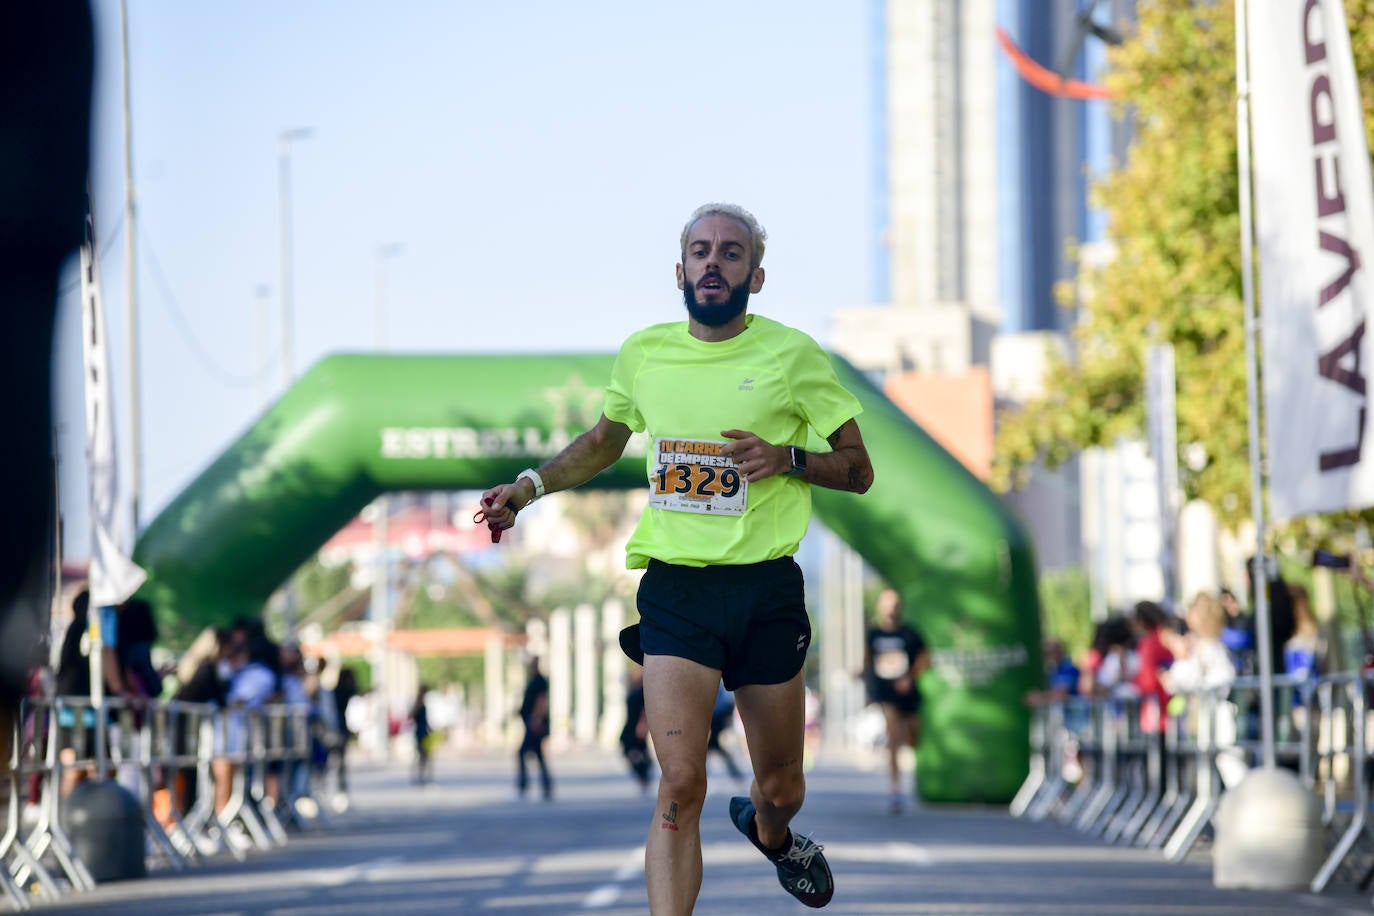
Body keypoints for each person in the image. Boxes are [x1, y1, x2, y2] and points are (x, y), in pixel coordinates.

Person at [477, 203, 874, 912]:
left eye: (729, 252)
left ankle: (772, 834)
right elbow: (602, 442)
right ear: (680, 270)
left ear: (756, 275)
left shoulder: (791, 355)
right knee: (680, 782)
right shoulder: (644, 353)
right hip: (676, 591)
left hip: (765, 590)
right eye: (700, 251)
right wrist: (528, 488)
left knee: (783, 786)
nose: (712, 263)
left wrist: (786, 459)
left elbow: (858, 468)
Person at [861, 588, 929, 814]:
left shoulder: (909, 633)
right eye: (887, 604)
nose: (891, 609)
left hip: (908, 694)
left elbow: (925, 657)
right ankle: (895, 789)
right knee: (893, 737)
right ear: (880, 607)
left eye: (895, 604)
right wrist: (865, 683)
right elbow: (867, 661)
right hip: (885, 694)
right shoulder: (873, 634)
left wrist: (910, 676)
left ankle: (910, 772)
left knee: (911, 737)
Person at [516, 657, 553, 800]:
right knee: (538, 756)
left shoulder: (539, 682)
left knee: (522, 753)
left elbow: (542, 701)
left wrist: (536, 720)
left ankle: (524, 785)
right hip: (532, 723)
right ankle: (546, 786)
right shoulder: (534, 681)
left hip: (535, 724)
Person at [620, 664, 654, 796]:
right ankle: (643, 778)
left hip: (637, 728)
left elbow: (645, 711)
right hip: (629, 728)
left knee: (640, 754)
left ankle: (644, 778)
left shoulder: (644, 692)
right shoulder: (634, 689)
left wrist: (643, 725)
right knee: (633, 753)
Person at [706, 683, 746, 787]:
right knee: (716, 750)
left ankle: (737, 775)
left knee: (714, 750)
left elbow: (727, 702)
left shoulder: (720, 686)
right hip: (716, 715)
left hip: (717, 716)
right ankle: (737, 775)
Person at [411, 685, 433, 786]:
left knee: (424, 756)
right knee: (423, 756)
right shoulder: (419, 705)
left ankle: (422, 776)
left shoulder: (419, 705)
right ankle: (420, 776)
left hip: (423, 732)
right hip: (421, 732)